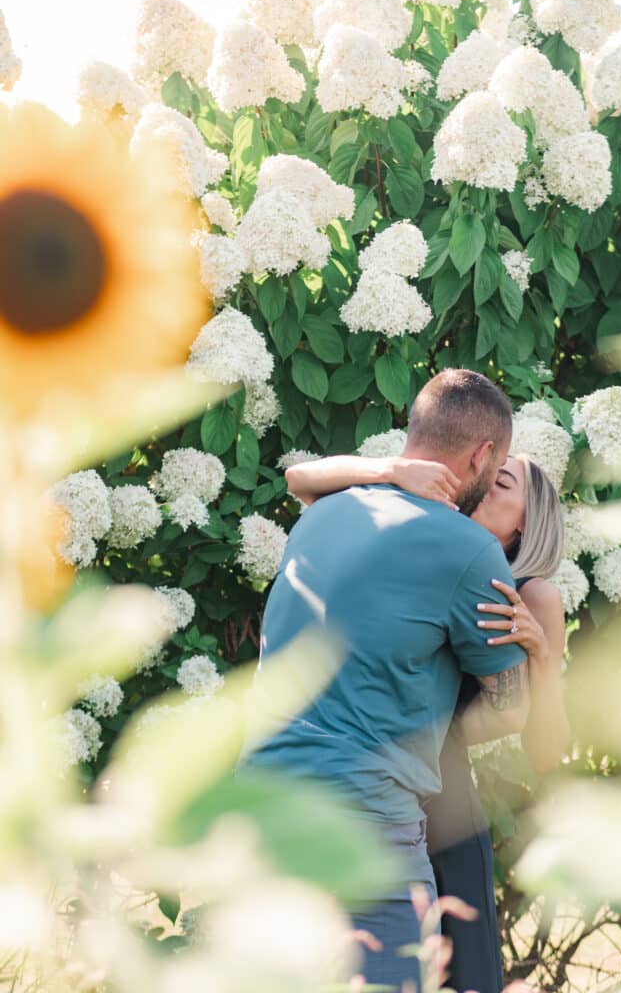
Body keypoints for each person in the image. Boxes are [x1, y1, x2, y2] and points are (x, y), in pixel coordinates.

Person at [242, 369, 531, 991]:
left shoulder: (323, 514)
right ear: (482, 455)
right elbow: (509, 713)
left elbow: (301, 477)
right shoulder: (469, 549)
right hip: (365, 827)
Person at [285, 450, 569, 993]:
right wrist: (391, 469)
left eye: (501, 483)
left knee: (457, 972)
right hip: (370, 777)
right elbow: (301, 478)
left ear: (527, 520)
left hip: (444, 803)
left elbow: (546, 754)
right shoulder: (427, 539)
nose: (482, 485)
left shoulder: (535, 594)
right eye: (484, 474)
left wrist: (543, 657)